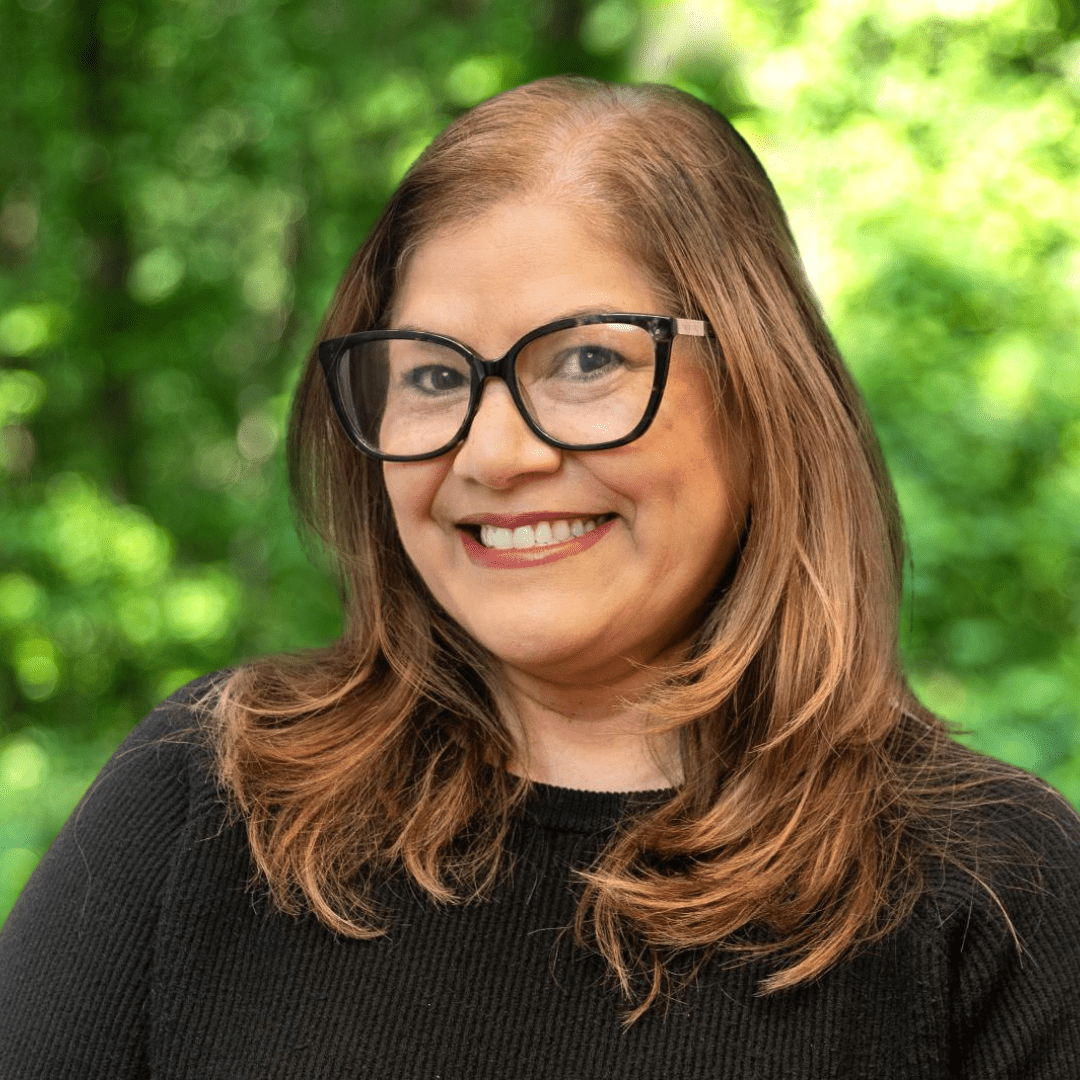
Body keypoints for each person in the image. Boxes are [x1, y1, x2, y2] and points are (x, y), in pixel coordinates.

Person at [1, 76, 1078, 1079]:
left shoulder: (997, 895)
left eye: (585, 361)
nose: (494, 455)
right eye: (431, 375)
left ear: (761, 392)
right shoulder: (213, 796)